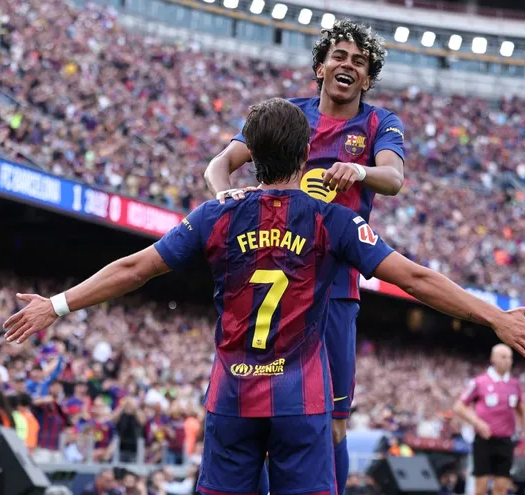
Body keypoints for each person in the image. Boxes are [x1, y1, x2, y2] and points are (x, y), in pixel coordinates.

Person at [3, 98, 525, 494]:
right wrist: (494, 317)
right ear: (308, 151)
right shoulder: (333, 220)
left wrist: (56, 305)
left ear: (252, 156)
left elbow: (134, 268)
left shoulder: (215, 215)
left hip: (231, 398)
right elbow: (416, 279)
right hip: (300, 402)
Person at [205, 20, 405, 495]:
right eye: (339, 56)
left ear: (368, 78)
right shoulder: (289, 116)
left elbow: (394, 179)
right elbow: (219, 164)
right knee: (255, 412)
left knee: (332, 421)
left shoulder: (380, 123)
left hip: (333, 286)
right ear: (320, 67)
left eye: (359, 62)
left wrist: (359, 170)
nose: (348, 65)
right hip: (268, 277)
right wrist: (225, 196)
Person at [453, 344, 525, 495]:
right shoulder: (479, 382)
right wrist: (477, 422)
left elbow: (522, 409)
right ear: (493, 359)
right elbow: (459, 407)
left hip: (505, 441)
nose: (507, 361)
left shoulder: (515, 384)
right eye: (503, 357)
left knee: (501, 488)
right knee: (481, 488)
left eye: (509, 357)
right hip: (484, 440)